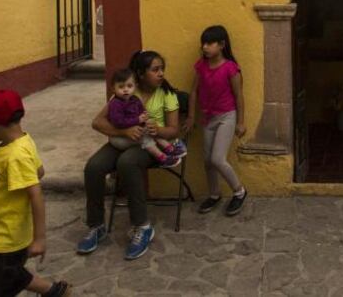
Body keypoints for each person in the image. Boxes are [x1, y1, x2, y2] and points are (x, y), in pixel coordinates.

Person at [0, 88, 70, 297]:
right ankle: (55, 291)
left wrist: (39, 239)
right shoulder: (23, 140)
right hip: (4, 234)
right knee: (9, 274)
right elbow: (39, 171)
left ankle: (55, 292)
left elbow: (35, 194)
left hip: (2, 240)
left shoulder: (14, 155)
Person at [77, 50, 182, 260]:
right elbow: (97, 122)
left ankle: (142, 226)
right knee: (93, 167)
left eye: (162, 69)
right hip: (122, 140)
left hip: (149, 145)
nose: (161, 73)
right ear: (141, 74)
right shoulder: (125, 92)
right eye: (155, 69)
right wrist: (123, 131)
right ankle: (96, 225)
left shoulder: (167, 94)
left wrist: (156, 130)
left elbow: (174, 130)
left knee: (127, 163)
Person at [189, 25, 248, 216]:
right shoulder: (201, 66)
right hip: (208, 118)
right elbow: (194, 92)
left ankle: (239, 191)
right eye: (203, 43)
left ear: (222, 45)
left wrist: (241, 122)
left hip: (226, 117)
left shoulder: (231, 68)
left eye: (209, 43)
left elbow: (239, 96)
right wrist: (191, 116)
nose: (205, 47)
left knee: (217, 159)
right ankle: (214, 194)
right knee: (207, 161)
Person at [106, 68, 185, 166]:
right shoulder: (115, 103)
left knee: (150, 129)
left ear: (135, 87)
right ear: (113, 89)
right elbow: (118, 122)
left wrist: (145, 117)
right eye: (121, 87)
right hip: (119, 138)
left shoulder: (134, 99)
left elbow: (142, 110)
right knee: (146, 138)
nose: (126, 89)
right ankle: (162, 158)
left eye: (129, 86)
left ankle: (170, 148)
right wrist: (137, 119)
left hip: (133, 132)